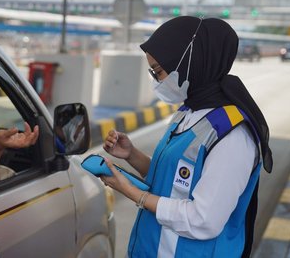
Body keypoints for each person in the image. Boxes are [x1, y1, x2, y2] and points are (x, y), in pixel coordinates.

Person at [100, 16, 273, 258]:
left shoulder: (233, 135)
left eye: (158, 71)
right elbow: (175, 181)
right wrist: (132, 155)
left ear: (192, 61)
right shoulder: (187, 112)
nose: (157, 81)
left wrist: (131, 192)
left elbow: (203, 220)